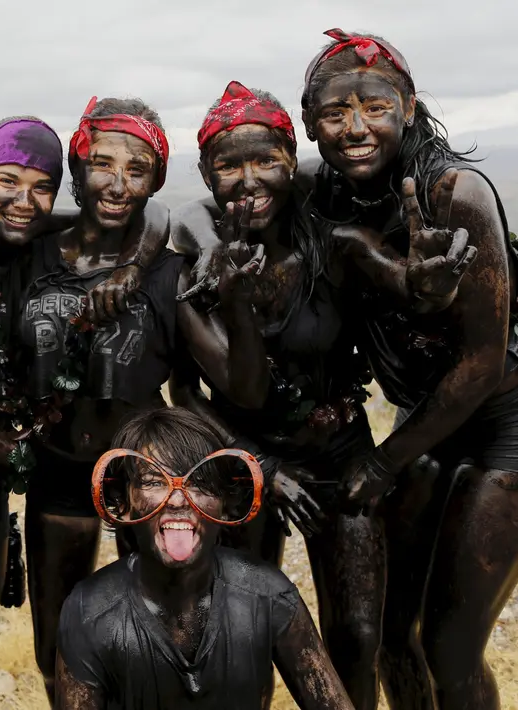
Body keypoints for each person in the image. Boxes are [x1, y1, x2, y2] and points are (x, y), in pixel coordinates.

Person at [298, 28, 518, 709]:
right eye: (334, 113)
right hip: (428, 423)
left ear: (410, 108)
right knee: (394, 630)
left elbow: (480, 364)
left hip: (515, 425)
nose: (355, 127)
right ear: (310, 123)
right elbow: (230, 193)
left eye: (375, 106)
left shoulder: (455, 194)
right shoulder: (324, 196)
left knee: (448, 645)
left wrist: (383, 462)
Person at [0, 116, 170, 710]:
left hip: (20, 491)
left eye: (41, 186)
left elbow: (147, 213)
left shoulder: (42, 242)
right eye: (7, 180)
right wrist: (7, 450)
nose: (24, 200)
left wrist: (136, 262)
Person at [15, 96, 264, 702]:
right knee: (57, 652)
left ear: (155, 179)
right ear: (77, 168)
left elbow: (232, 384)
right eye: (102, 163)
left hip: (147, 477)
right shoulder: (29, 254)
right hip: (57, 469)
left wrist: (234, 300)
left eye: (138, 169)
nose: (118, 183)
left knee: (171, 643)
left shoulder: (167, 273)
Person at [168, 81, 404, 710]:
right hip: (240, 457)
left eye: (266, 160)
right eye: (228, 165)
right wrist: (258, 466)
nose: (250, 180)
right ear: (205, 173)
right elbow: (198, 393)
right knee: (238, 634)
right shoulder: (196, 275)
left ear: (290, 159)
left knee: (356, 633)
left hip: (340, 452)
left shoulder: (324, 231)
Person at [55, 407, 355, 710]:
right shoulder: (90, 613)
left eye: (199, 482)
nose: (177, 499)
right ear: (123, 502)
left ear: (225, 504)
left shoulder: (268, 596)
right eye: (153, 481)